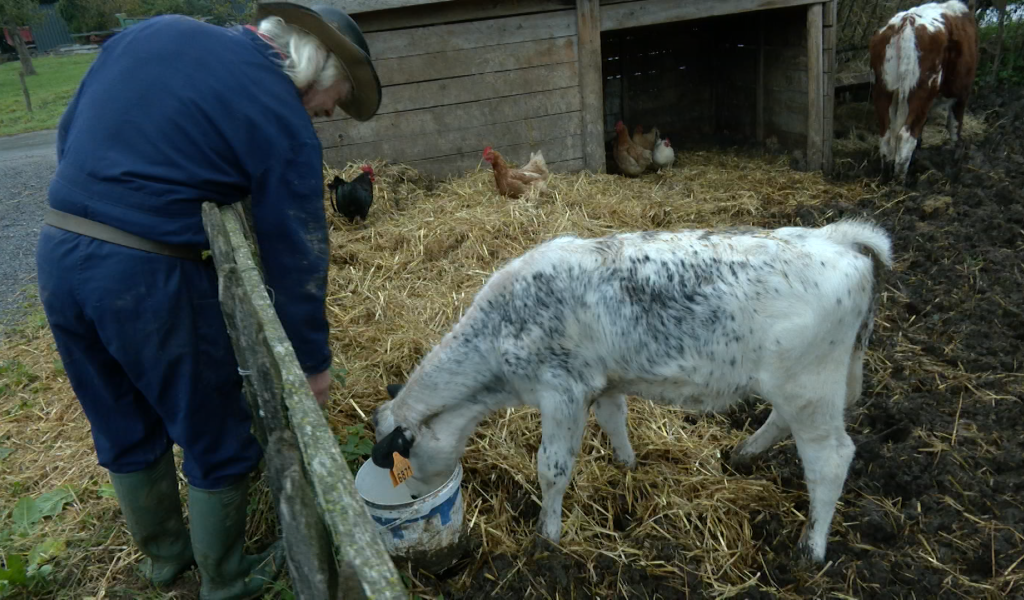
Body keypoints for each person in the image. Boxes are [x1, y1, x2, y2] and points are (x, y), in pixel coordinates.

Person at [34, 3, 381, 599]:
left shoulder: (155, 30)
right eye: (336, 97)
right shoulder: (281, 115)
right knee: (214, 428)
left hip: (60, 248)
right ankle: (226, 578)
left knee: (121, 414)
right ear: (316, 67)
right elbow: (295, 248)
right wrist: (312, 364)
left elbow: (72, 130)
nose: (328, 113)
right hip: (146, 275)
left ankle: (165, 563)